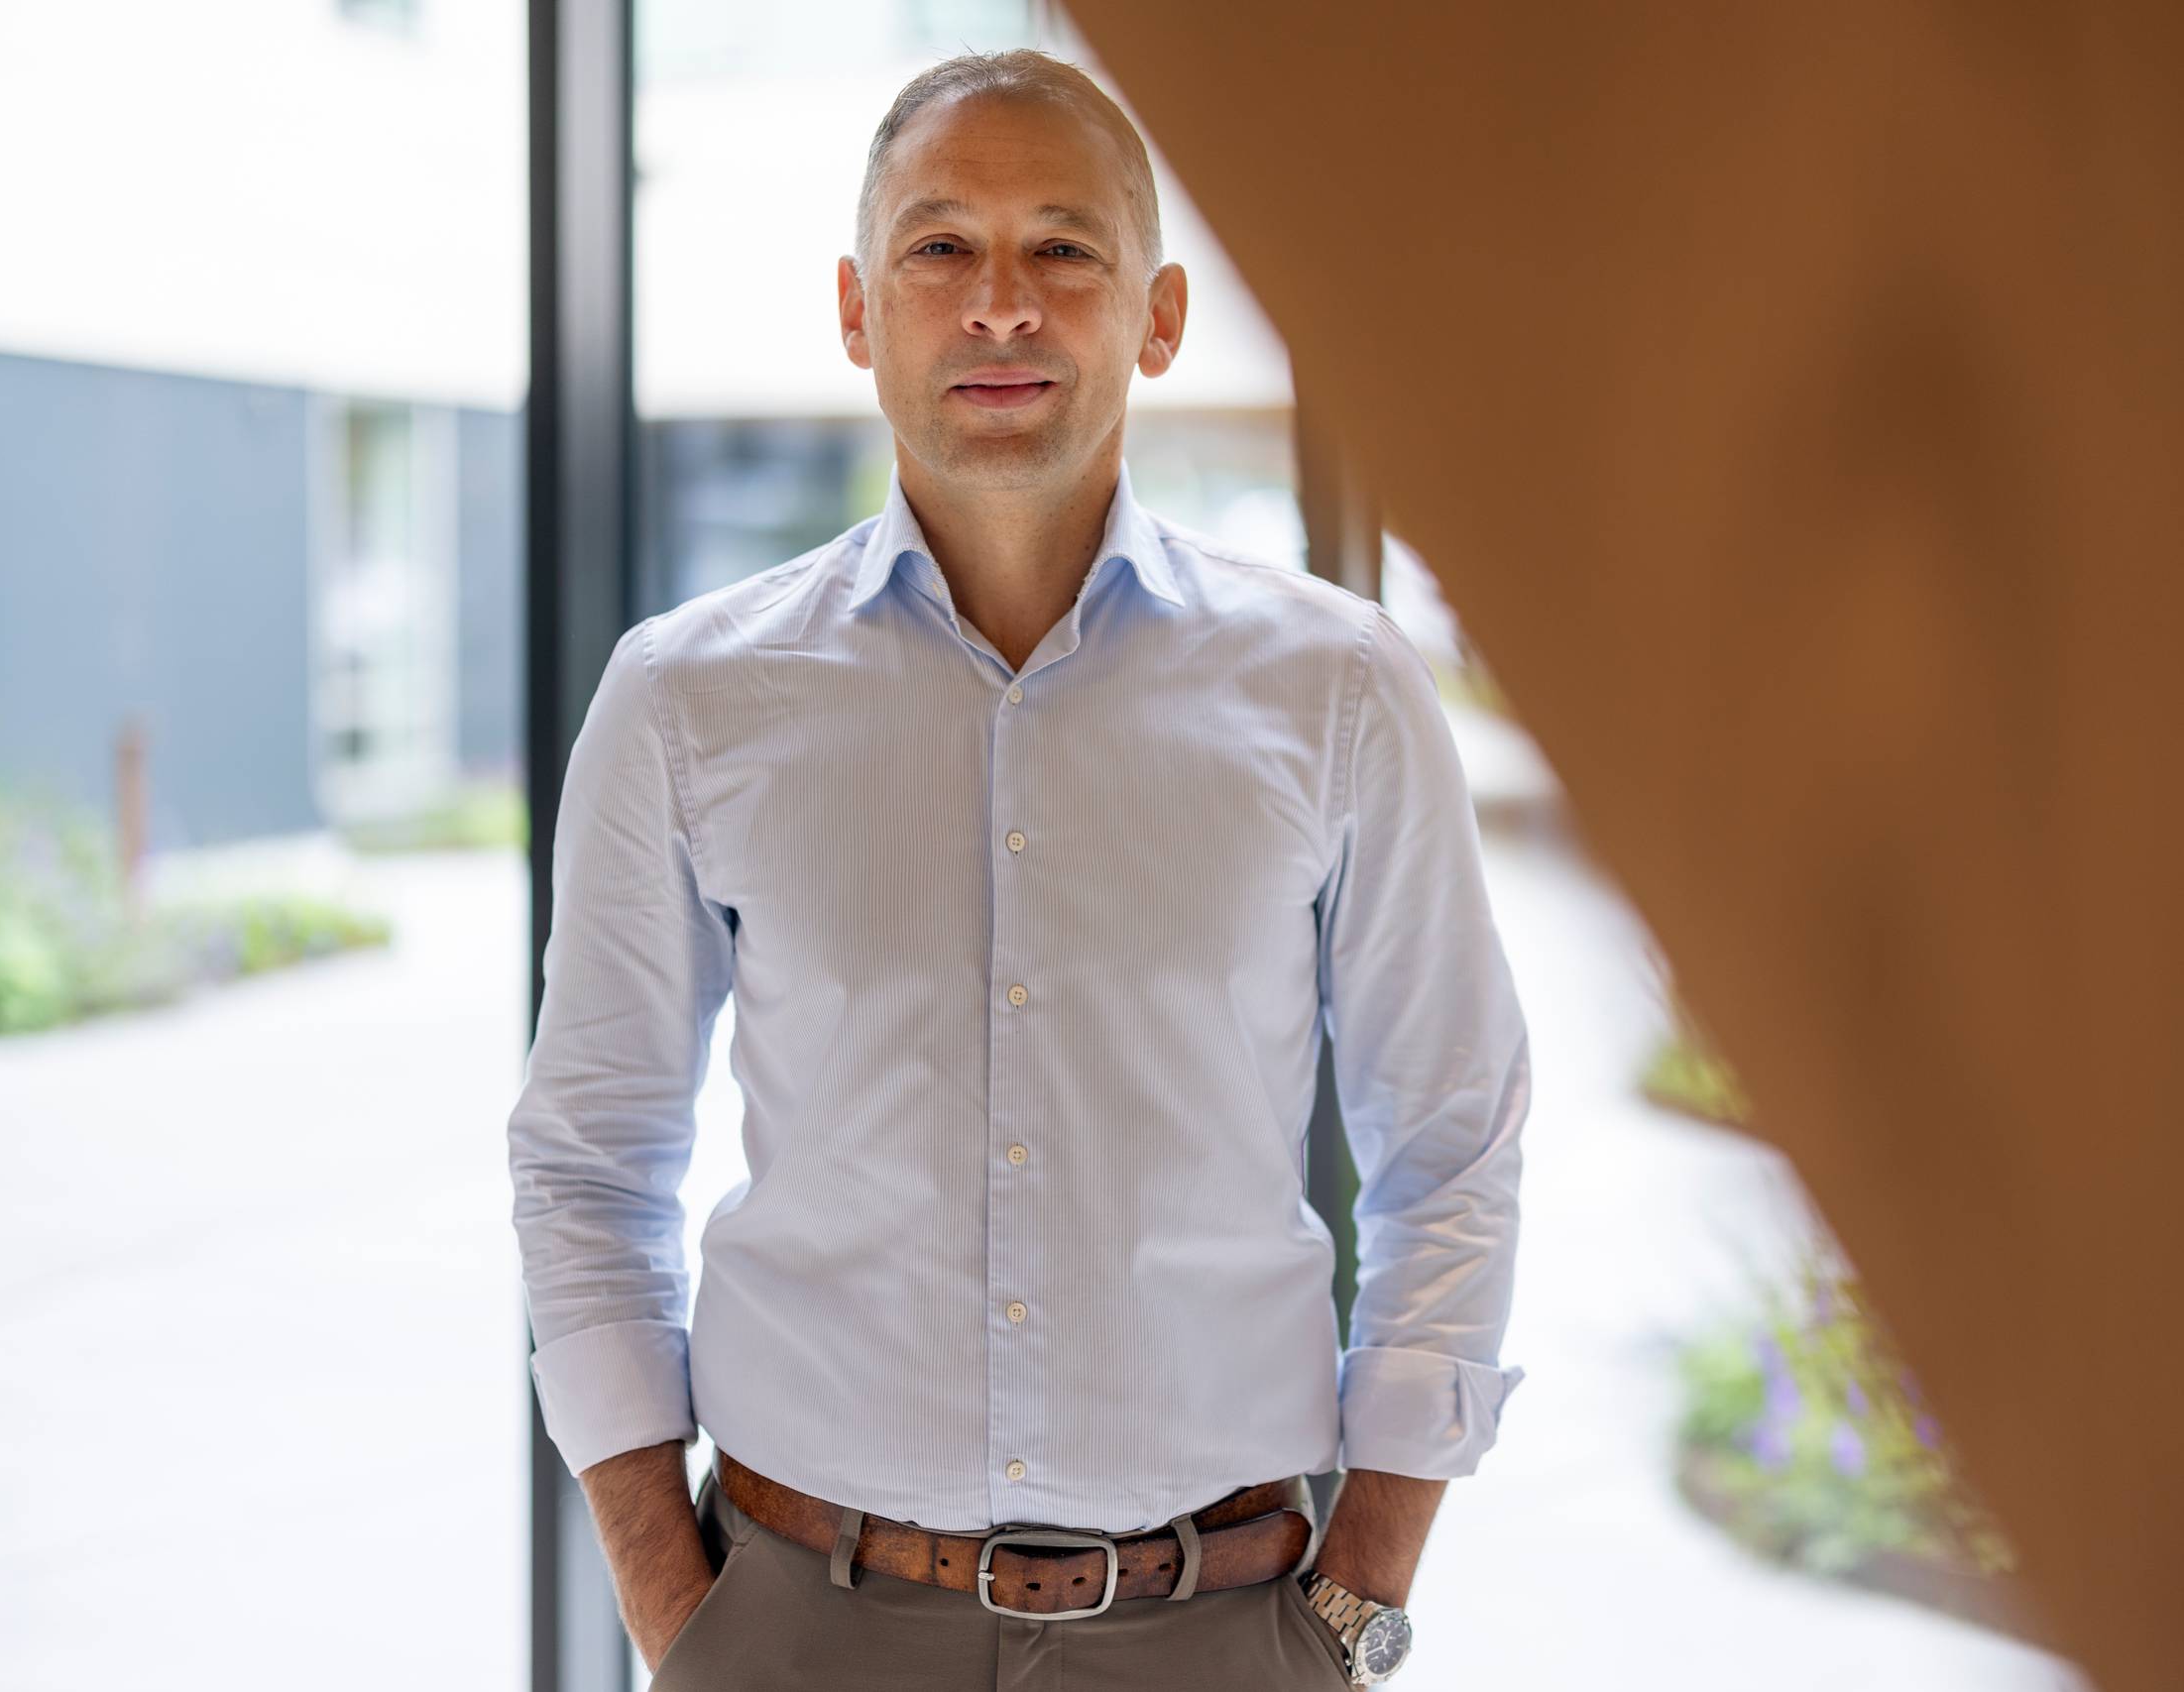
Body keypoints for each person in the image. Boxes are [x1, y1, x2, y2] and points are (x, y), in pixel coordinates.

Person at [506, 47, 1530, 1690]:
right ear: (858, 310)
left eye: (1064, 247)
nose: (1000, 304)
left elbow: (1453, 1142)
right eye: (941, 248)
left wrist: (1354, 1608)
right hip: (796, 1624)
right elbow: (587, 1158)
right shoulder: (687, 697)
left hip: (1225, 1627)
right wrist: (676, 1614)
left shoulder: (1337, 689)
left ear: (1159, 315)